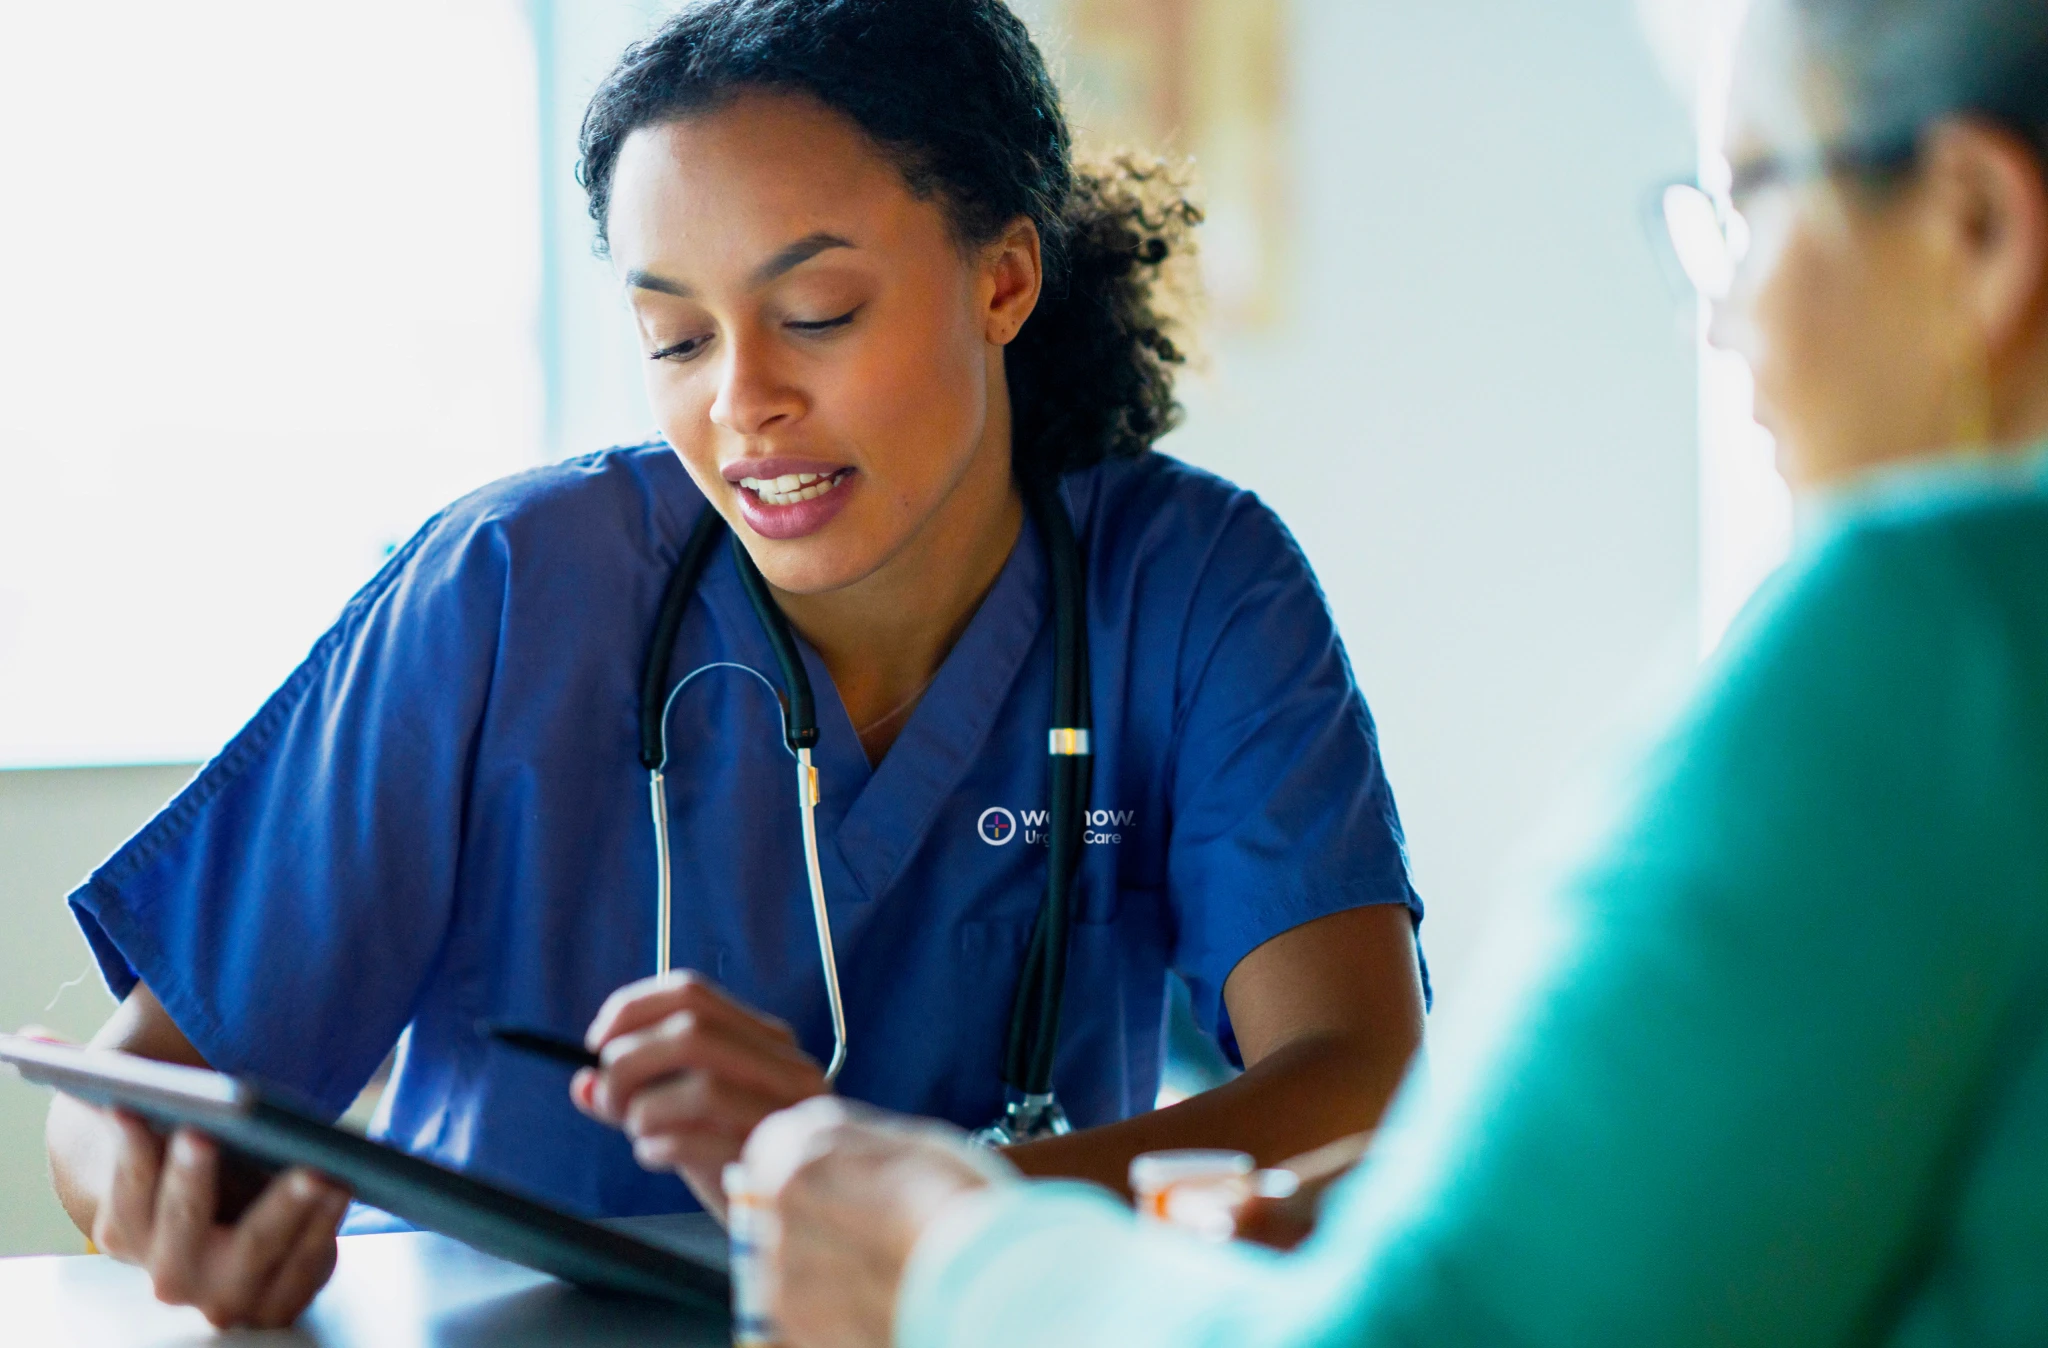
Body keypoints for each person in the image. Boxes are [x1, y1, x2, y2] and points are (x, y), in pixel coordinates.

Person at [40, 0, 1429, 1330]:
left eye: (817, 311)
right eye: (677, 337)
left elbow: (1362, 1079)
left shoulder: (1191, 590)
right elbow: (122, 1104)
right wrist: (163, 1211)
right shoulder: (508, 594)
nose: (741, 403)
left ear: (1002, 279)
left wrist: (912, 1210)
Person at [746, 0, 2048, 1343]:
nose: (1718, 319)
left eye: (1752, 199)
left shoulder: (1945, 635)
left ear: (1977, 226)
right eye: (673, 333)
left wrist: (945, 1253)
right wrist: (1445, 1207)